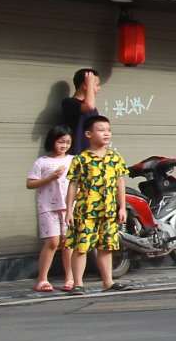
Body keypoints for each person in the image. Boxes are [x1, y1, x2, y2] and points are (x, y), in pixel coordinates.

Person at [65, 116, 130, 292]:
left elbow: (120, 182)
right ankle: (77, 284)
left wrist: (122, 207)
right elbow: (73, 184)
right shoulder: (81, 159)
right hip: (85, 211)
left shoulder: (115, 157)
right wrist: (69, 210)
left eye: (108, 130)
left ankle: (108, 283)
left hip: (109, 210)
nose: (106, 133)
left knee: (107, 247)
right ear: (88, 134)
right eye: (101, 130)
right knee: (81, 247)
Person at [28, 126, 76, 293]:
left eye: (68, 142)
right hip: (48, 205)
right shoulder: (42, 162)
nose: (64, 145)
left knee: (68, 242)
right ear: (52, 141)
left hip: (69, 206)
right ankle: (42, 279)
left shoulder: (73, 160)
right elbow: (30, 183)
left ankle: (71, 278)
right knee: (53, 242)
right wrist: (50, 178)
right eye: (60, 141)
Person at [59, 68, 106, 148]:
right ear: (85, 85)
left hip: (91, 154)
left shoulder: (92, 107)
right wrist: (89, 84)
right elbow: (89, 106)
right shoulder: (69, 102)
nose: (99, 88)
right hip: (76, 154)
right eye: (97, 85)